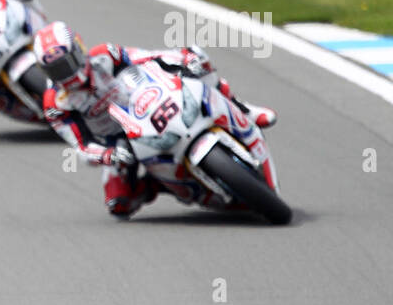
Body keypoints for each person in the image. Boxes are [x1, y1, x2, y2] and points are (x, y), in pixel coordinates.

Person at [34, 21, 278, 216]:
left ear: (78, 51)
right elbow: (82, 146)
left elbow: (146, 59)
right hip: (119, 139)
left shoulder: (105, 55)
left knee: (199, 62)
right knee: (119, 204)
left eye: (65, 64)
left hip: (147, 100)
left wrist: (182, 61)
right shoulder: (56, 104)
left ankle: (242, 109)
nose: (63, 75)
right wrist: (109, 155)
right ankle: (160, 183)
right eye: (54, 70)